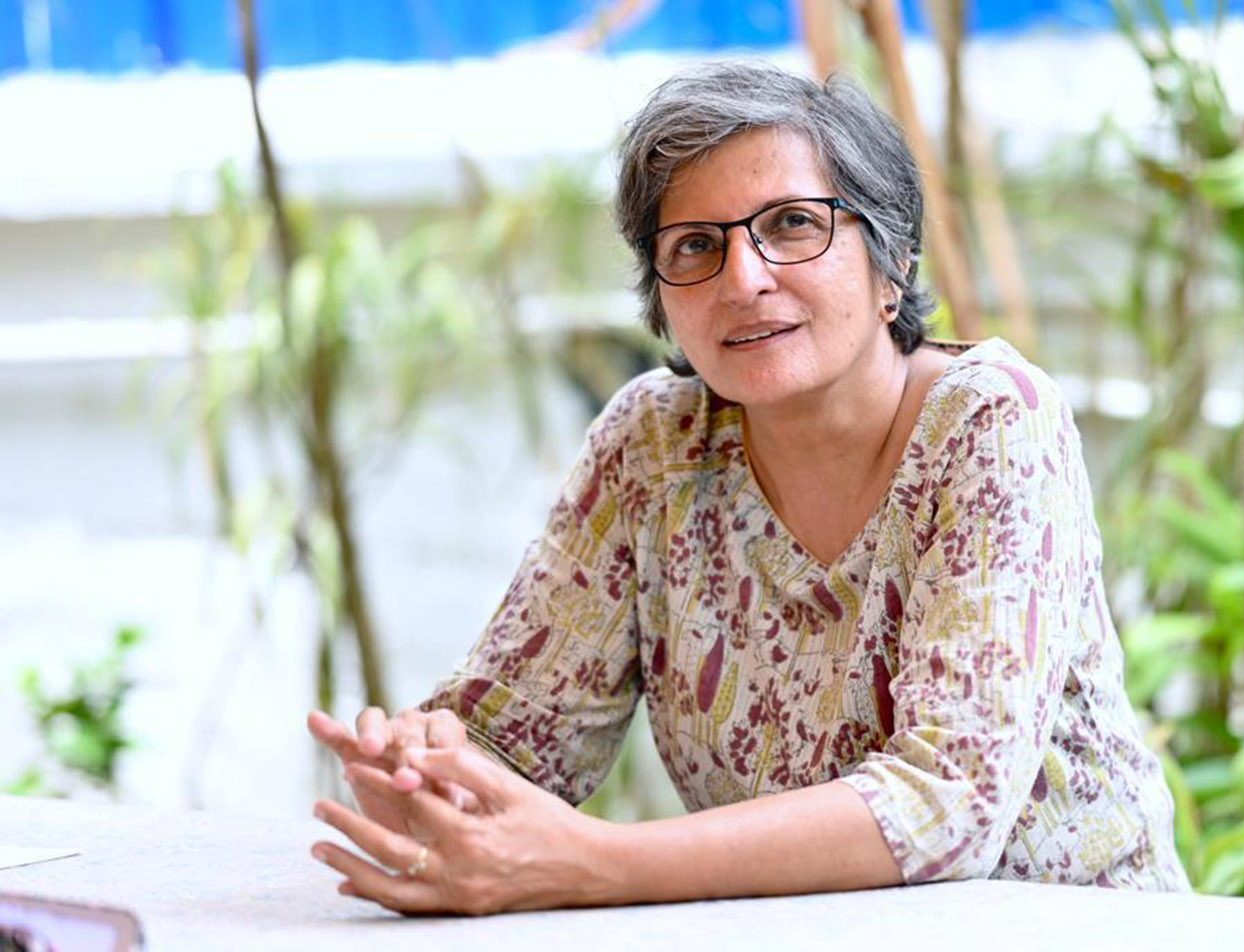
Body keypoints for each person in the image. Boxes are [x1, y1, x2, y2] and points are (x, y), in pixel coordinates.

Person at [306, 61, 1189, 915]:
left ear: (889, 263)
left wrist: (594, 862)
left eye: (793, 225)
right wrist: (429, 773)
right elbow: (514, 743)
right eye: (695, 245)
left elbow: (946, 803)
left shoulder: (988, 420)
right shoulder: (655, 446)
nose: (744, 279)